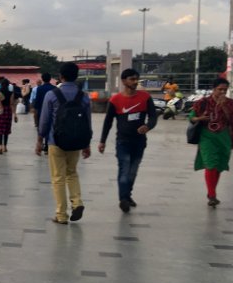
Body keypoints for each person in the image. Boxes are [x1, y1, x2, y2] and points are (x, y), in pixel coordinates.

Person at [36, 62, 92, 224]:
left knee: (58, 177)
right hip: (76, 142)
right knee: (72, 173)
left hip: (56, 142)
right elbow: (87, 122)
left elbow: (44, 121)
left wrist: (40, 140)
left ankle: (61, 215)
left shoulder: (52, 95)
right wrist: (86, 144)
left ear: (61, 76)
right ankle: (77, 202)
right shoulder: (84, 96)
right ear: (76, 76)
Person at [98, 68, 158, 212]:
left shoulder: (145, 97)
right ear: (124, 81)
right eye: (132, 79)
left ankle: (127, 194)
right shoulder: (115, 100)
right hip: (122, 142)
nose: (135, 82)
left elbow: (154, 117)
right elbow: (108, 122)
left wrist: (147, 126)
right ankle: (123, 199)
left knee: (133, 171)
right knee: (124, 170)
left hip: (139, 142)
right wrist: (102, 141)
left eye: (136, 79)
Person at [188, 77, 233, 207]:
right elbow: (191, 117)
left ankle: (212, 191)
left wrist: (225, 108)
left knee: (219, 165)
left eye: (225, 90)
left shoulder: (230, 103)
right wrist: (199, 118)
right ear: (213, 89)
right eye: (219, 89)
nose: (222, 92)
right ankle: (212, 195)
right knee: (210, 164)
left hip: (224, 137)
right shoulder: (203, 102)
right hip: (207, 136)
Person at [0, 77, 18, 154]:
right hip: (7, 111)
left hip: (0, 111)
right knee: (6, 129)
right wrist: (15, 115)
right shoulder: (11, 93)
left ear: (1, 85)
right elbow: (12, 104)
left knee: (0, 129)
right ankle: (5, 147)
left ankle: (0, 146)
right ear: (8, 85)